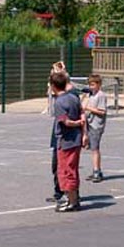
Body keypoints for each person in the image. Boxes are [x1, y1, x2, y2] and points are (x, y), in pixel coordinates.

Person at [51, 72, 87, 212]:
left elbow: (66, 122)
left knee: (66, 171)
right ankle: (73, 198)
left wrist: (77, 123)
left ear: (53, 86)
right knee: (72, 169)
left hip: (66, 140)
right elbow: (82, 112)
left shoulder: (59, 102)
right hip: (76, 139)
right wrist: (84, 132)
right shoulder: (73, 97)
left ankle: (72, 201)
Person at [83, 74, 107, 183]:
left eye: (93, 85)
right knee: (91, 148)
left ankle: (97, 171)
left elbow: (102, 111)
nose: (91, 87)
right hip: (89, 123)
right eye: (90, 85)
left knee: (95, 149)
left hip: (96, 125)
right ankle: (95, 170)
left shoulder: (100, 95)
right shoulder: (91, 95)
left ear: (99, 85)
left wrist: (88, 108)